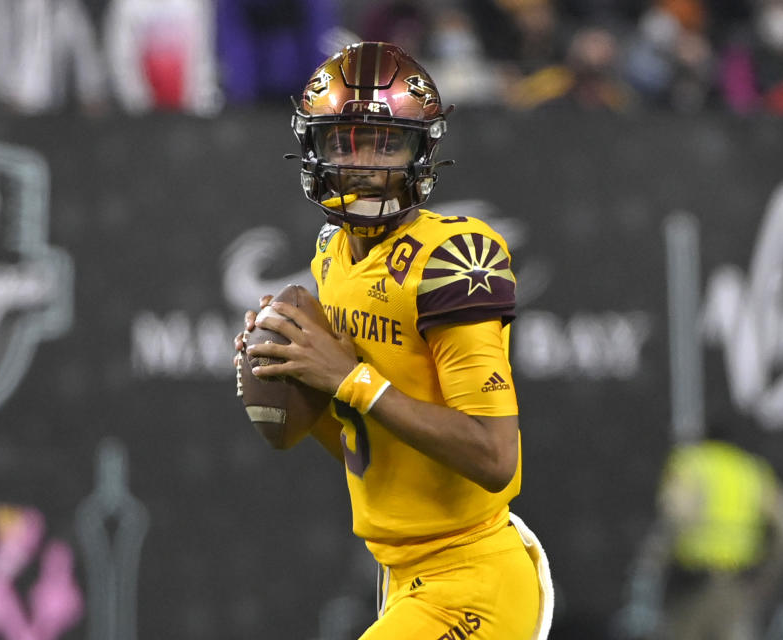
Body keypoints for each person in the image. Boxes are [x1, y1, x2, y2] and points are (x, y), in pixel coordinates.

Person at [234, 42, 552, 639]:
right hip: (404, 577)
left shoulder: (452, 255)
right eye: (345, 139)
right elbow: (375, 444)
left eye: (387, 142)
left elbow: (494, 456)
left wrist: (347, 379)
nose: (364, 163)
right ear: (314, 147)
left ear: (422, 149)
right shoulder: (331, 256)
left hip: (471, 577)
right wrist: (296, 375)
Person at [617, 429, 783, 640]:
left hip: (691, 587)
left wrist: (654, 567)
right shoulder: (751, 471)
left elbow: (673, 518)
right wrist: (767, 581)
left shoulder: (692, 464)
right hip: (736, 588)